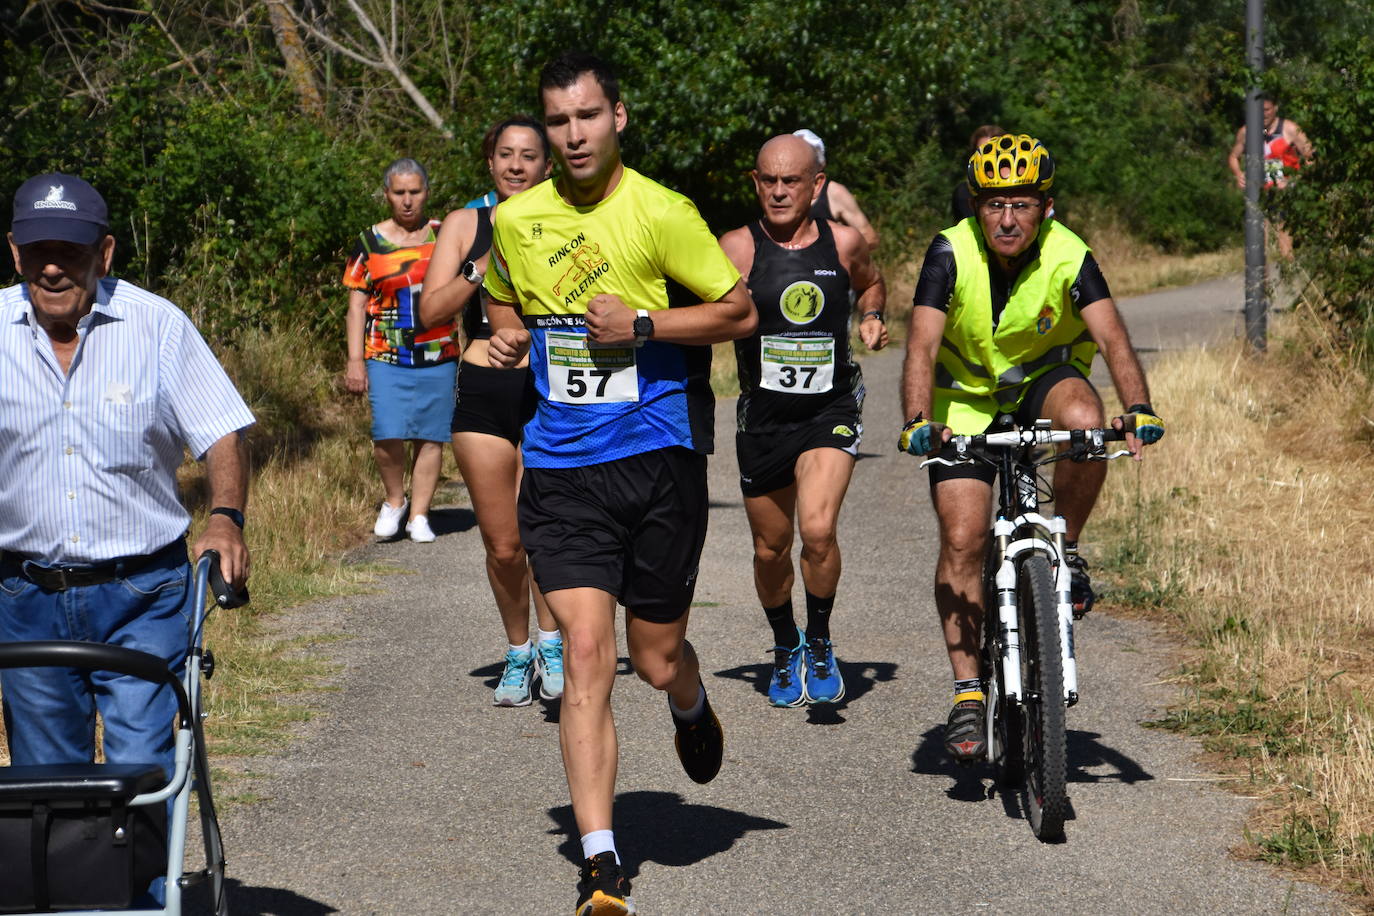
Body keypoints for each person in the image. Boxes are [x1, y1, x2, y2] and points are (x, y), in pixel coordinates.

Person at [483, 51, 756, 916]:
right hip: (561, 470)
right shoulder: (516, 220)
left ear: (618, 118)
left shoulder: (662, 211)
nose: (572, 135)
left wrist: (643, 323)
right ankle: (602, 865)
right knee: (588, 657)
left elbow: (738, 310)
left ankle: (690, 697)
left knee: (653, 653)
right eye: (558, 121)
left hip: (657, 462)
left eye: (587, 117)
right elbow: (500, 299)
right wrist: (507, 339)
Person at [898, 134, 1165, 764]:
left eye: (1021, 203)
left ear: (1046, 206)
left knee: (1084, 418)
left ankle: (1063, 549)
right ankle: (968, 692)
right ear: (975, 205)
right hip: (962, 398)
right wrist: (917, 419)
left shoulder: (1070, 252)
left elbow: (1112, 337)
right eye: (993, 205)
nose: (1007, 218)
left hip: (1040, 385)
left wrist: (1141, 407)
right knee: (963, 537)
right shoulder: (950, 251)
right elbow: (921, 348)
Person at [0, 172, 254, 788]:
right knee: (46, 786)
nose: (53, 269)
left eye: (71, 253)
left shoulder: (157, 326)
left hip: (142, 592)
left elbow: (222, 430)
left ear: (105, 253)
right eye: (38, 254)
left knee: (141, 770)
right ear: (14, 252)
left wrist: (225, 518)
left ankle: (139, 889)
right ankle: (66, 888)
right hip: (25, 596)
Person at [719, 134, 887, 708]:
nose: (780, 191)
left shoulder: (844, 243)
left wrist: (873, 316)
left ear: (817, 185)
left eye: (792, 181)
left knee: (816, 531)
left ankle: (819, 640)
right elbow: (703, 313)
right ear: (755, 182)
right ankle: (785, 642)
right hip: (763, 416)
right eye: (769, 180)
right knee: (771, 549)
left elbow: (871, 282)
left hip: (829, 409)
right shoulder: (736, 248)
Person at [420, 115, 563, 708]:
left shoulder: (569, 222)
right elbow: (429, 310)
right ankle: (517, 650)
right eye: (505, 154)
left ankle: (553, 641)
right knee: (504, 544)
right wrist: (483, 260)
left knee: (548, 536)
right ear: (490, 162)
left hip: (554, 390)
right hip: (484, 389)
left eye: (529, 156)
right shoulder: (464, 223)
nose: (516, 165)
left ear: (547, 166)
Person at [343, 158, 455, 543]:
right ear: (387, 195)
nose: (408, 201)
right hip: (384, 355)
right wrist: (355, 360)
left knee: (431, 434)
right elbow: (356, 304)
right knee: (387, 432)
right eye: (399, 193)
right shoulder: (369, 242)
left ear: (427, 192)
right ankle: (395, 500)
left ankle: (420, 515)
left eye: (415, 192)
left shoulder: (446, 235)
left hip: (439, 352)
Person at [1226, 95, 1313, 260]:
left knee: (1285, 247)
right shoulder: (1247, 131)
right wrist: (1239, 174)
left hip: (1284, 193)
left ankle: (1290, 279)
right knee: (1257, 248)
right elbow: (1233, 157)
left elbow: (1311, 157)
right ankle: (1260, 283)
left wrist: (1295, 180)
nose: (1263, 114)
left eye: (1266, 110)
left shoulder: (1289, 129)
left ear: (1275, 108)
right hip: (1258, 192)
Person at [792, 129, 880, 252]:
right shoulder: (779, 195)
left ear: (820, 164)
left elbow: (870, 238)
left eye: (806, 157)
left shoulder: (833, 192)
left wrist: (836, 255)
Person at [951, 124, 1005, 223]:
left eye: (995, 151)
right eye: (983, 151)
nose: (989, 157)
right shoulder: (964, 193)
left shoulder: (1025, 190)